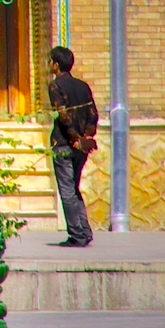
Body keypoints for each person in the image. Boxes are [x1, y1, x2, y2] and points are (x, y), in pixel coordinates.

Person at [48, 46, 99, 247]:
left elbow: (63, 114)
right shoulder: (83, 86)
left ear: (56, 64)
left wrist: (75, 138)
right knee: (74, 188)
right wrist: (86, 137)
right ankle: (85, 231)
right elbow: (93, 115)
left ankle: (77, 235)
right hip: (80, 147)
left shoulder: (55, 86)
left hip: (64, 144)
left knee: (67, 190)